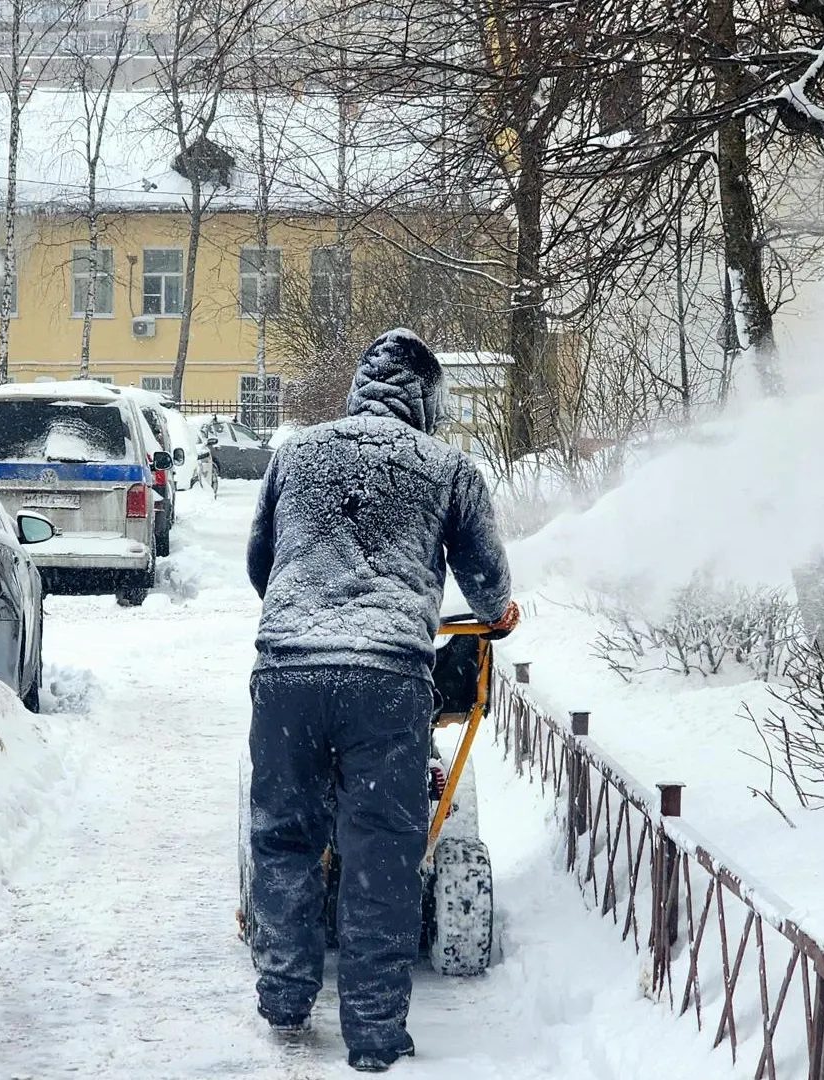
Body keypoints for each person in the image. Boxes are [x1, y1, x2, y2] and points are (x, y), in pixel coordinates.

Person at [244, 328, 518, 1072]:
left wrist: (306, 615)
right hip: (388, 681)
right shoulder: (448, 468)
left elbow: (260, 562)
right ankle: (372, 1036)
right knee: (382, 852)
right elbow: (487, 581)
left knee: (284, 837)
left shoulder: (296, 452)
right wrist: (498, 614)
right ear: (428, 400)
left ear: (360, 386)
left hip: (288, 673)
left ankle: (287, 997)